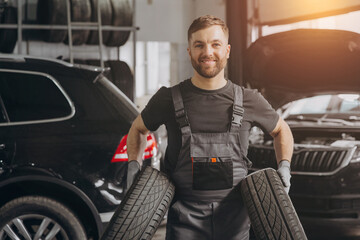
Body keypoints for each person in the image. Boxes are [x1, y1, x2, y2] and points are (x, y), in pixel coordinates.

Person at [126, 15, 293, 240]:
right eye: (199, 45)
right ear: (189, 52)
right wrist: (133, 166)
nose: (208, 52)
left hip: (235, 225)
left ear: (227, 50)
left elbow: (281, 130)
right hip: (184, 224)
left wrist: (284, 166)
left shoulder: (249, 99)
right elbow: (138, 129)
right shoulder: (168, 98)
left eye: (215, 44)